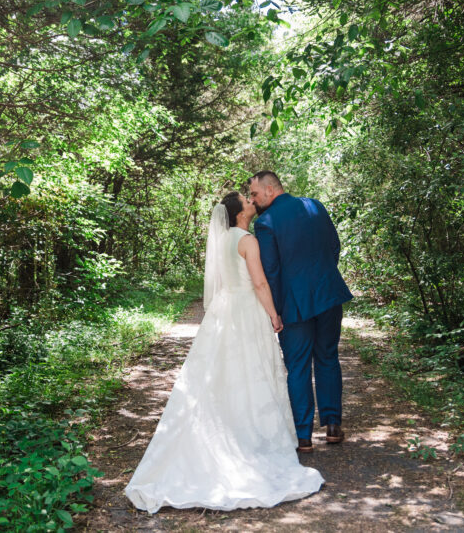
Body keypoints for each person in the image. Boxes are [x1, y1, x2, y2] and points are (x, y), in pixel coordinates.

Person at [124, 192, 324, 514]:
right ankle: (249, 439)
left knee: (222, 375)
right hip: (246, 310)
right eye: (246, 199)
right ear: (239, 212)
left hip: (224, 309)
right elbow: (259, 284)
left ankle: (223, 432)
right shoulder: (247, 240)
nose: (251, 201)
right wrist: (274, 314)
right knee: (250, 371)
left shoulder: (224, 238)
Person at [248, 171, 353, 454]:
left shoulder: (266, 222)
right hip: (328, 294)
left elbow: (271, 270)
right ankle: (332, 426)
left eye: (255, 194)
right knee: (328, 357)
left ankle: (303, 435)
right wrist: (322, 278)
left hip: (294, 304)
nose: (252, 200)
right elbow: (334, 247)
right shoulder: (315, 206)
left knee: (298, 366)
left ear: (270, 190)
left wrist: (276, 311)